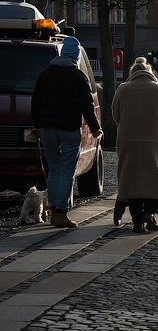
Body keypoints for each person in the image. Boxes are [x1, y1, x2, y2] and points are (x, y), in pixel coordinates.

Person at [30, 36, 103, 229]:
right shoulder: (79, 77)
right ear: (76, 57)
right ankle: (61, 212)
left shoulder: (45, 74)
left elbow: (35, 102)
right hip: (69, 129)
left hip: (47, 129)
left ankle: (54, 209)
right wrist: (95, 130)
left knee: (54, 169)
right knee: (68, 171)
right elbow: (87, 107)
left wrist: (37, 125)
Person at [112, 57, 158, 233]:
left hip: (128, 141)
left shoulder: (123, 89)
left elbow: (116, 115)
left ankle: (136, 223)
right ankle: (149, 212)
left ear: (132, 73)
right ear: (150, 72)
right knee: (156, 179)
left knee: (130, 180)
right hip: (154, 141)